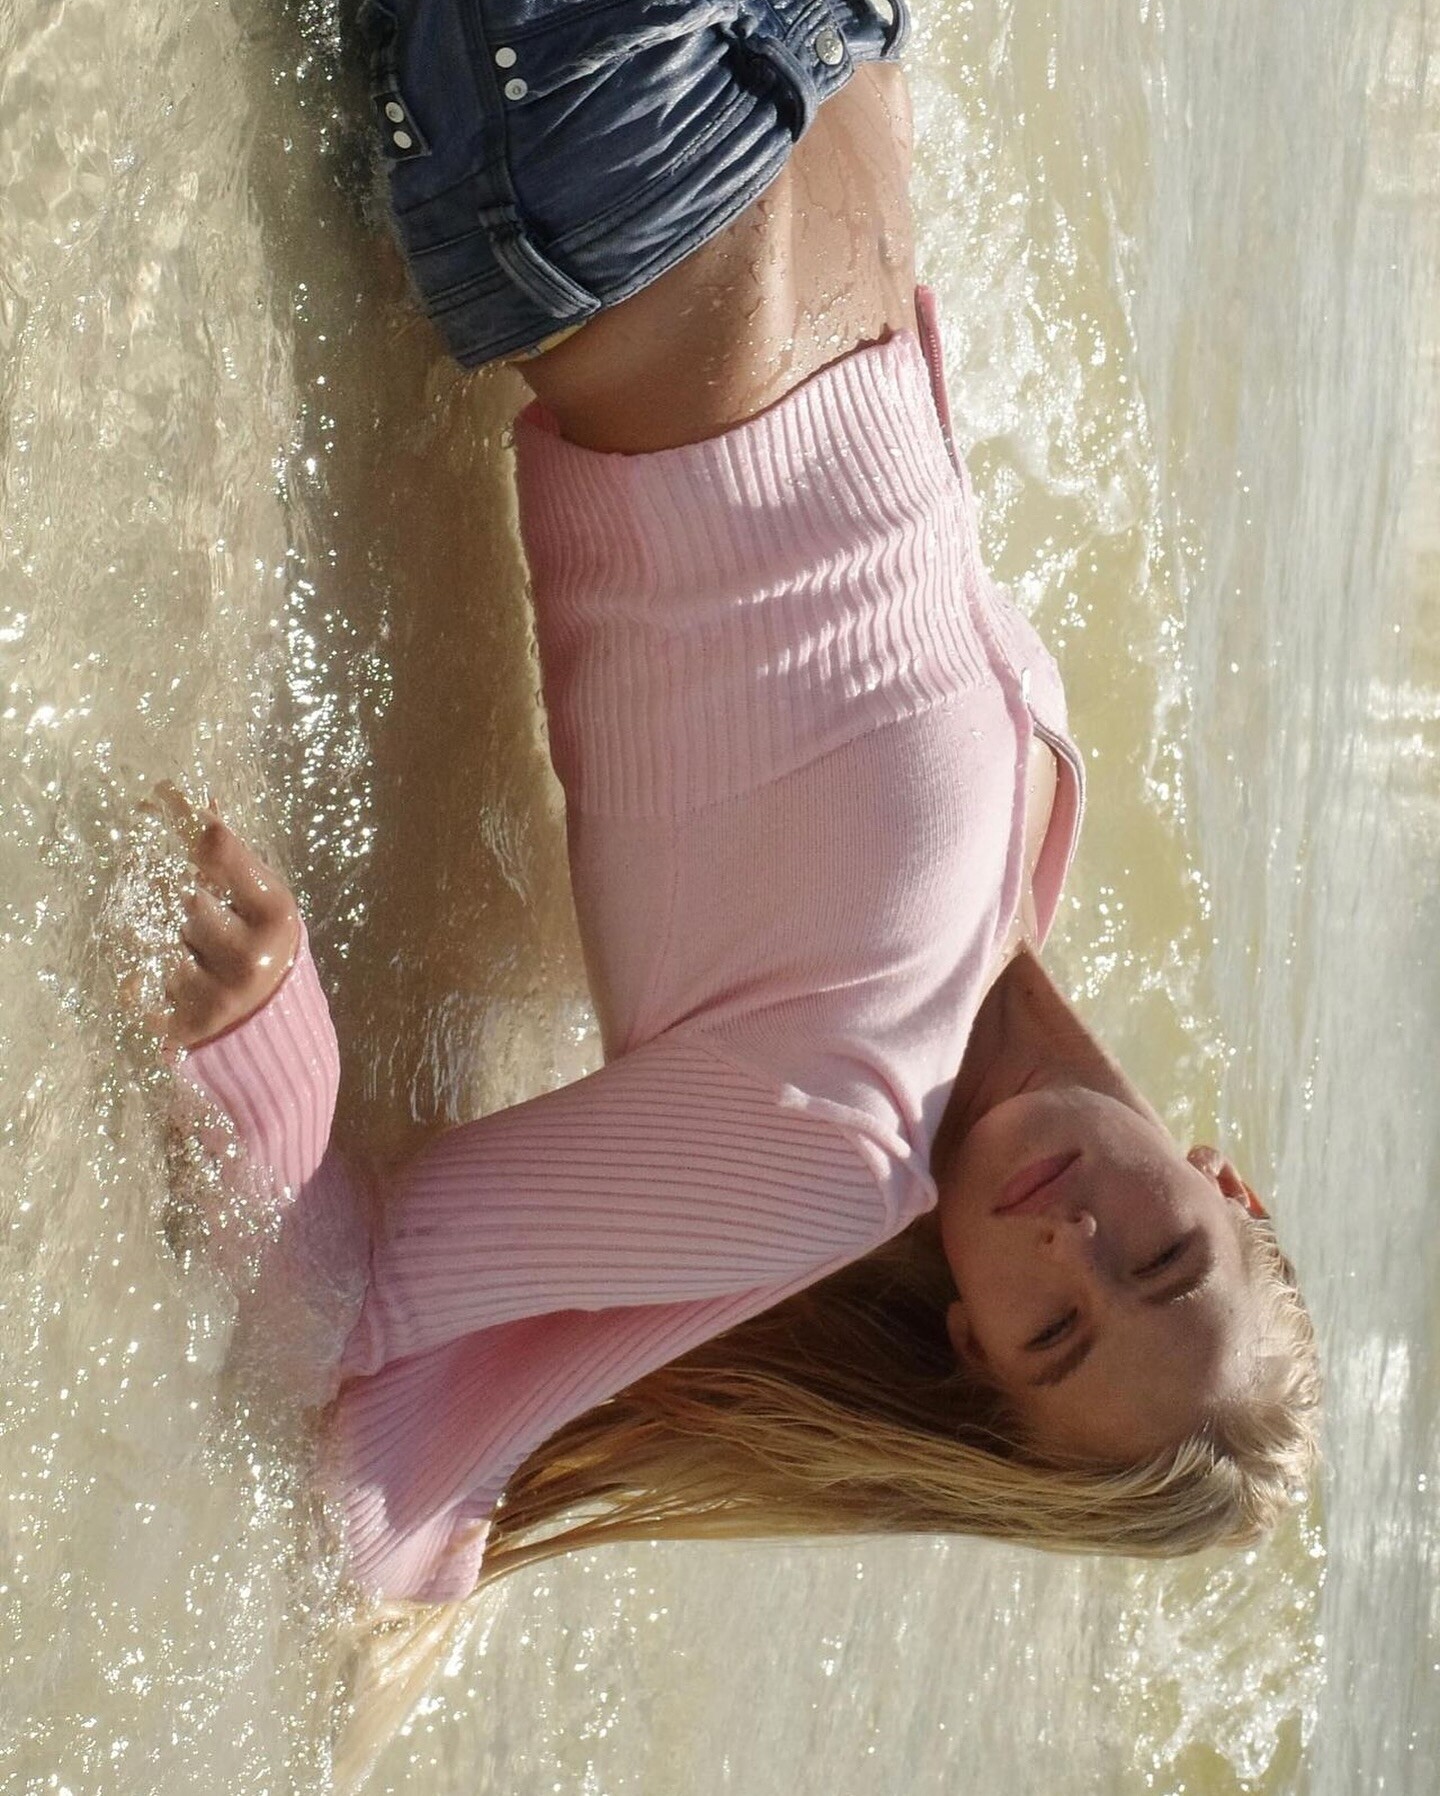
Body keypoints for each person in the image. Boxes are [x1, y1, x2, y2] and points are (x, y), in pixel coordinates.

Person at [125, 0, 1320, 1609]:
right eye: (1164, 1258)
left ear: (972, 1343)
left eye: (1054, 1332)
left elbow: (346, 1303)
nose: (1074, 1248)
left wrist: (264, 1033)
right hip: (814, 54)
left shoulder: (834, 1145)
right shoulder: (1040, 858)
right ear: (1226, 1189)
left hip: (615, 158)